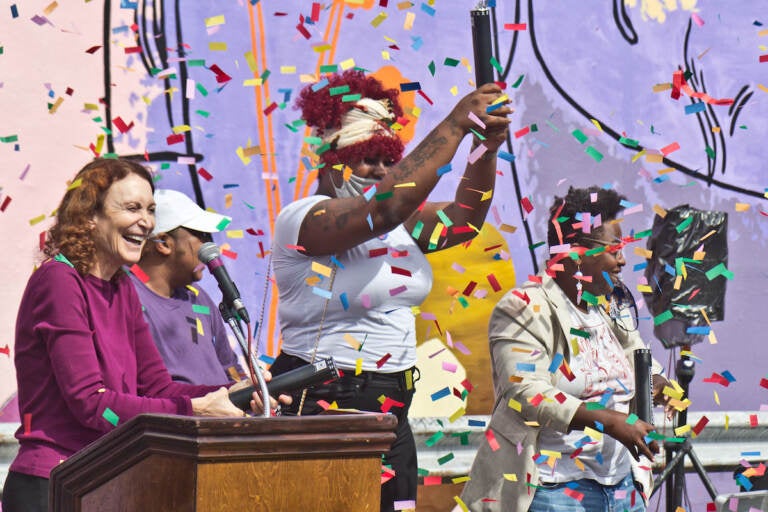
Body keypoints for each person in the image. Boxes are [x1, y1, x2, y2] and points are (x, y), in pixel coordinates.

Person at [270, 69, 512, 512]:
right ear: (331, 157)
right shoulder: (303, 219)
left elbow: (462, 220)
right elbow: (381, 209)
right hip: (329, 403)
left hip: (394, 407)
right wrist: (456, 122)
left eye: (388, 159)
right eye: (368, 158)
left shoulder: (401, 222)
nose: (380, 169)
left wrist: (483, 147)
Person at [2, 158, 273, 512]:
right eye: (132, 208)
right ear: (89, 216)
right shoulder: (59, 280)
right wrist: (195, 407)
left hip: (107, 479)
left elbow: (158, 388)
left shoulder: (120, 287)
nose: (145, 221)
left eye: (150, 210)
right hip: (55, 483)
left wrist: (229, 394)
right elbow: (92, 404)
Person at [459, 186, 673, 511]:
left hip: (622, 486)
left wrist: (657, 382)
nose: (622, 260)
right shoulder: (524, 307)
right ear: (574, 254)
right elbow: (525, 394)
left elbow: (635, 356)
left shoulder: (608, 306)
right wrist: (607, 421)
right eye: (613, 249)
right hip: (554, 490)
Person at [129, 188, 244, 386]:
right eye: (202, 236)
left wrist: (251, 392)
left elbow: (231, 369)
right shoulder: (125, 296)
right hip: (177, 415)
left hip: (225, 415)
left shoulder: (198, 297)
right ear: (164, 243)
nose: (211, 246)